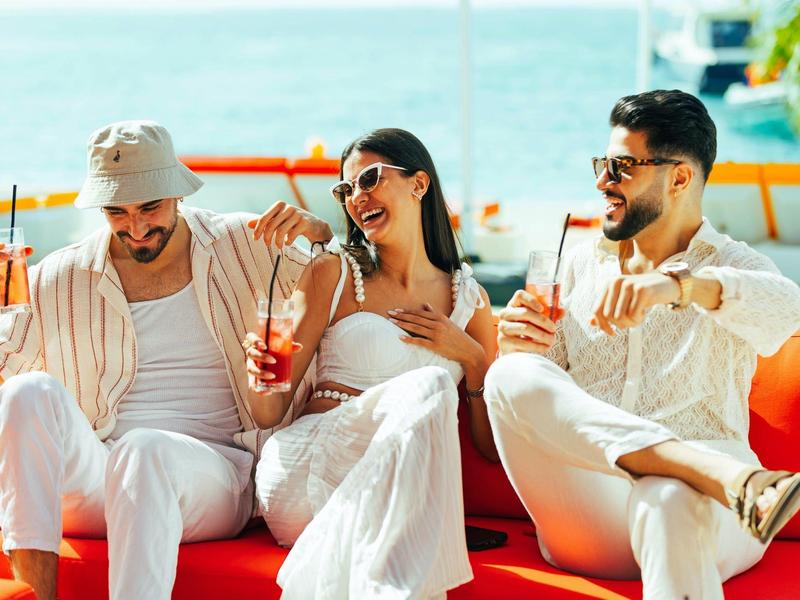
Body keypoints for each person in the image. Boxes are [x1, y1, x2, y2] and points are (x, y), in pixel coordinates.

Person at [484, 89, 800, 599]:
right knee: (508, 374)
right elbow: (543, 400)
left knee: (670, 495)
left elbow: (787, 308)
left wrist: (678, 287)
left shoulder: (734, 263)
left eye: (623, 166)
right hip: (591, 513)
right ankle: (708, 470)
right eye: (603, 164)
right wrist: (521, 347)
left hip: (714, 514)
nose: (602, 181)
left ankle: (694, 472)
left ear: (679, 178)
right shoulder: (577, 266)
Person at [0, 120, 333, 600]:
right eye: (117, 211)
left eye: (150, 207)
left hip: (215, 479)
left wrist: (322, 239)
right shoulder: (59, 275)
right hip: (100, 474)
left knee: (145, 449)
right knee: (26, 392)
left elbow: (346, 290)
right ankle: (34, 594)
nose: (136, 228)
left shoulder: (245, 242)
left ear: (178, 193)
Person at [243, 128, 497, 598]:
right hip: (308, 470)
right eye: (346, 189)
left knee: (431, 390)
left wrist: (473, 358)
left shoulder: (470, 301)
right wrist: (263, 374)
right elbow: (268, 414)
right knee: (429, 386)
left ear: (419, 184)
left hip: (395, 492)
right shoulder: (334, 272)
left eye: (370, 179)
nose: (356, 198)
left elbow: (489, 447)